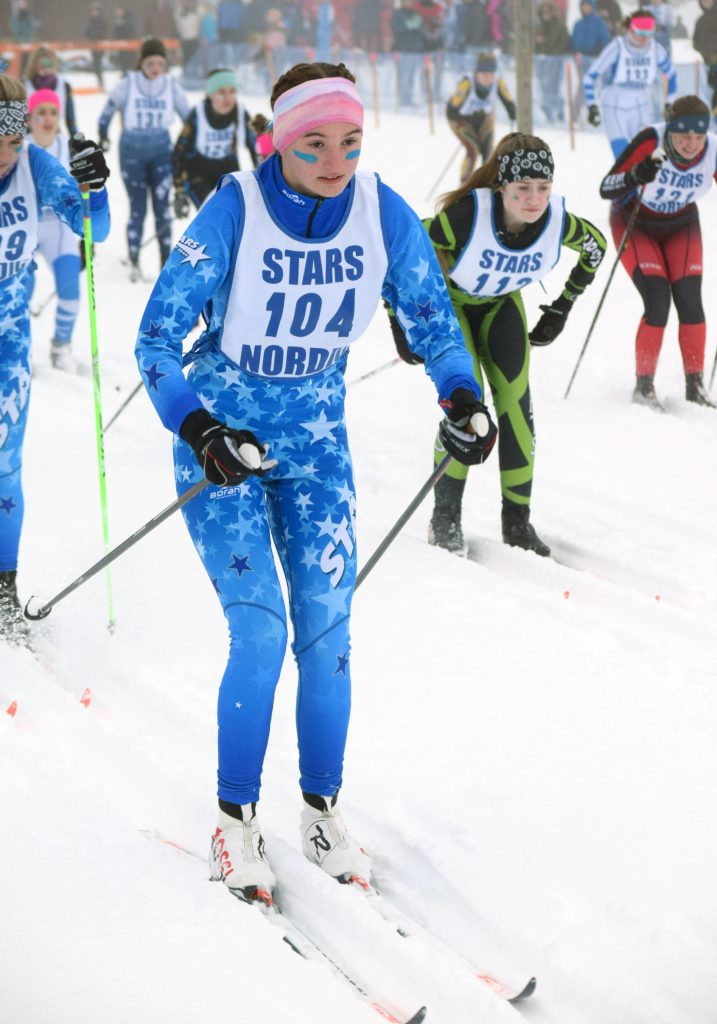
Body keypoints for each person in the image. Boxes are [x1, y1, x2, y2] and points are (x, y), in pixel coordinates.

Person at [134, 61, 496, 905]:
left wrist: (462, 397)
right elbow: (156, 338)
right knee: (259, 633)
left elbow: (434, 322)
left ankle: (321, 809)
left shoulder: (381, 212)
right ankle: (233, 824)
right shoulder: (234, 209)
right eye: (313, 144)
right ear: (278, 142)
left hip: (317, 446)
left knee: (327, 636)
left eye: (350, 141)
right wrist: (199, 426)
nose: (335, 160)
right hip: (224, 442)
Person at [390, 132, 607, 557]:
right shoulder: (466, 217)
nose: (534, 199)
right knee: (467, 407)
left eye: (543, 188)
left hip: (499, 308)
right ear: (502, 187)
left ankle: (517, 522)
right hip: (452, 308)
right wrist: (399, 320)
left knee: (516, 406)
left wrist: (561, 307)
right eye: (522, 188)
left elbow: (595, 248)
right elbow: (403, 251)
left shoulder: (556, 222)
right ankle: (445, 518)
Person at [0, 73, 110, 645]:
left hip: (8, 340)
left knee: (3, 466)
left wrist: (95, 187)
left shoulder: (34, 166)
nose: (5, 155)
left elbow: (95, 226)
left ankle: (2, 590)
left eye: (13, 143)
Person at [599, 95, 717, 410]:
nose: (691, 144)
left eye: (698, 136)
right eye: (683, 136)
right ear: (670, 131)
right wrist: (636, 175)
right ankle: (644, 386)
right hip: (636, 222)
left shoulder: (713, 150)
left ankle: (695, 385)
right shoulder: (650, 138)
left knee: (691, 300)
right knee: (658, 299)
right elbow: (606, 187)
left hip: (681, 224)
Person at [98, 37, 190, 278]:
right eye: (150, 63)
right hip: (132, 152)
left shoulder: (170, 85)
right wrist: (102, 134)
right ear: (142, 63)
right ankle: (134, 259)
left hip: (161, 150)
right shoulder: (127, 83)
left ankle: (165, 261)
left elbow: (189, 118)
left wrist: (188, 145)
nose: (155, 68)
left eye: (160, 62)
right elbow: (107, 110)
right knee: (138, 207)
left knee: (162, 207)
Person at [25, 89, 83, 372]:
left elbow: (82, 195)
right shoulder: (19, 148)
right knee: (22, 292)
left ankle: (61, 346)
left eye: (53, 112)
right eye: (41, 113)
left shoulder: (69, 151)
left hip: (57, 231)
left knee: (71, 288)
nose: (48, 118)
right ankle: (20, 350)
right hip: (25, 231)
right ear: (30, 118)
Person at [583, 8, 677, 157]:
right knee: (623, 158)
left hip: (641, 105)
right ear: (631, 29)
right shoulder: (617, 47)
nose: (644, 39)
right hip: (615, 105)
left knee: (645, 157)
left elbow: (671, 75)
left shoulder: (655, 48)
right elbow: (589, 77)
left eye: (649, 34)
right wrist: (592, 106)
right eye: (640, 33)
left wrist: (669, 103)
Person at [172, 67, 257, 213]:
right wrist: (179, 191)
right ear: (211, 95)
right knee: (214, 213)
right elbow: (179, 153)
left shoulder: (241, 113)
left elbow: (256, 148)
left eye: (232, 91)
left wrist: (264, 180)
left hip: (228, 169)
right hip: (199, 172)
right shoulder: (198, 115)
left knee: (235, 215)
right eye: (221, 92)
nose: (228, 98)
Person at [446, 52, 516, 183]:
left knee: (488, 151)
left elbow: (509, 101)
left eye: (490, 75)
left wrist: (513, 113)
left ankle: (487, 183)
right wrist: (467, 118)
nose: (487, 79)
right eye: (483, 74)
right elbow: (451, 110)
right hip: (461, 121)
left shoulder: (498, 82)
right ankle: (464, 184)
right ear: (476, 73)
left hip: (484, 118)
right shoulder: (467, 83)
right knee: (473, 149)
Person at [25, 46, 78, 137]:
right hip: (30, 136)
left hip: (54, 135)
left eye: (50, 63)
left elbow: (71, 120)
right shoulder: (24, 86)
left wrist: (77, 141)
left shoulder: (64, 86)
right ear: (35, 65)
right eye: (43, 64)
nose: (46, 68)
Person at [534, 1, 570, 124]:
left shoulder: (560, 26)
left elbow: (564, 43)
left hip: (556, 59)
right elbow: (534, 45)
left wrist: (547, 45)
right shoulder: (538, 26)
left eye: (548, 12)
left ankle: (557, 109)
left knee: (553, 86)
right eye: (543, 12)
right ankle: (547, 109)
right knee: (543, 86)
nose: (546, 15)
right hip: (541, 59)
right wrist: (538, 43)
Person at [693, 0, 717, 121]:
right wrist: (706, 54)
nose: (706, 2)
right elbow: (695, 42)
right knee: (709, 96)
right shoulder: (700, 21)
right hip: (708, 65)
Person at [85, 1, 109, 90]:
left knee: (98, 64)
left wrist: (94, 36)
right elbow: (88, 32)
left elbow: (102, 33)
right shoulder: (92, 21)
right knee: (96, 64)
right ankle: (100, 83)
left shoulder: (102, 21)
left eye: (95, 10)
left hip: (100, 46)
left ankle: (101, 83)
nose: (93, 12)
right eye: (92, 11)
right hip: (93, 46)